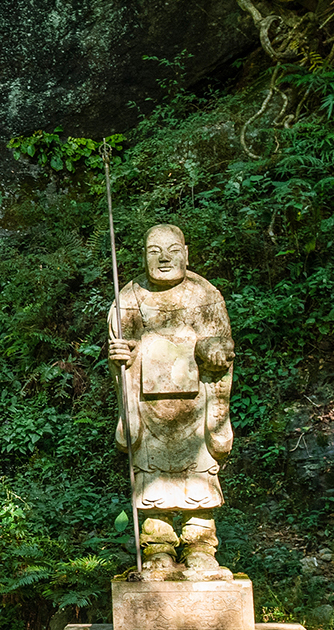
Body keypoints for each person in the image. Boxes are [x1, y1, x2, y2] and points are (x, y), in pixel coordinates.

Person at [108, 224, 235, 573]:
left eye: (172, 249)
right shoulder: (129, 298)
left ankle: (200, 549)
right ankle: (157, 549)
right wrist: (122, 356)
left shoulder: (205, 294)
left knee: (200, 479)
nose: (164, 257)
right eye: (154, 250)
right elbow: (121, 350)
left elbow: (223, 342)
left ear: (186, 252)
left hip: (195, 408)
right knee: (152, 483)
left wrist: (214, 350)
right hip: (148, 408)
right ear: (144, 254)